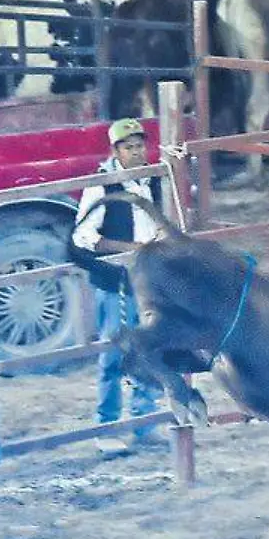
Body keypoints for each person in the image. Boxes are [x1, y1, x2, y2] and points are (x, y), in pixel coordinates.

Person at [68, 118, 167, 453]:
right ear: (115, 151)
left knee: (149, 349)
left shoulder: (152, 180)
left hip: (147, 283)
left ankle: (145, 421)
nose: (137, 152)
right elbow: (84, 237)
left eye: (140, 145)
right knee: (114, 354)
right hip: (116, 283)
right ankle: (107, 428)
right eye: (129, 147)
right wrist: (132, 250)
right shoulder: (102, 185)